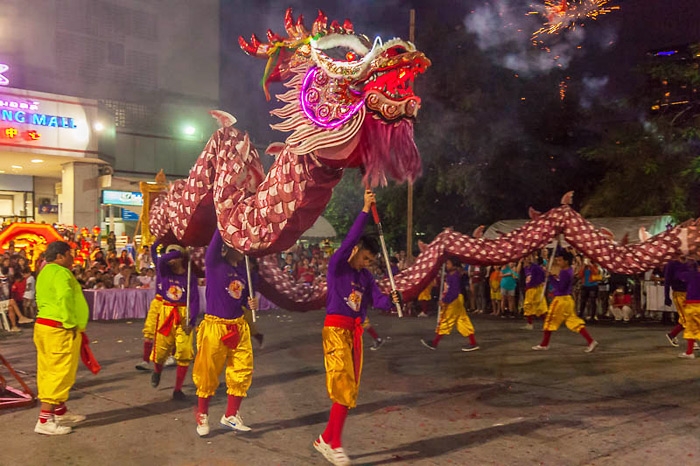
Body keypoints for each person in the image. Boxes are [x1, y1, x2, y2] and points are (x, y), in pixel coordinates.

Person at [313, 190, 400, 466]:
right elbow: (350, 238)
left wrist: (397, 299)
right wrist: (364, 210)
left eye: (371, 261)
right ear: (355, 251)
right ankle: (334, 444)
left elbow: (379, 301)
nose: (367, 264)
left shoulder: (365, 278)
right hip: (335, 331)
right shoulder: (338, 267)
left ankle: (325, 439)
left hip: (354, 334)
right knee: (343, 386)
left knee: (349, 389)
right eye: (365, 258)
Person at [192, 229, 259, 437]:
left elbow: (245, 297)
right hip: (214, 327)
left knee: (242, 368)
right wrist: (226, 216)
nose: (243, 250)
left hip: (238, 326)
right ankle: (202, 413)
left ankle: (231, 415)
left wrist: (251, 302)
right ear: (229, 246)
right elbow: (215, 240)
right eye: (239, 245)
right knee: (208, 371)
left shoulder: (245, 271)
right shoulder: (214, 264)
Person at [33, 241, 88, 435]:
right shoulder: (60, 272)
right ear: (60, 256)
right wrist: (70, 322)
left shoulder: (45, 271)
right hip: (59, 327)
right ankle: (45, 420)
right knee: (58, 373)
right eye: (70, 254)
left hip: (45, 326)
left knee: (49, 370)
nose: (73, 258)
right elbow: (65, 295)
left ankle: (59, 411)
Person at [149, 244, 199, 400]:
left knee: (184, 352)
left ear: (181, 259)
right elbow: (162, 259)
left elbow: (195, 300)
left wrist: (191, 322)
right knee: (161, 351)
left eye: (174, 256)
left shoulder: (190, 276)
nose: (170, 258)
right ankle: (157, 370)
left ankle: (178, 389)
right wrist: (180, 252)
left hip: (183, 314)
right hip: (166, 313)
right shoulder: (164, 272)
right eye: (169, 254)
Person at [532, 249, 598, 353]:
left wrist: (550, 278)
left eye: (560, 260)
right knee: (574, 321)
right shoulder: (569, 270)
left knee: (550, 320)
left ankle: (544, 344)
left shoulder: (564, 272)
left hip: (561, 300)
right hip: (568, 299)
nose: (558, 262)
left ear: (566, 261)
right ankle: (590, 341)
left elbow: (560, 287)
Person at [421, 256, 479, 352]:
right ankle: (473, 343)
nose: (446, 265)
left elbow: (453, 291)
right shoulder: (452, 274)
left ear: (454, 266)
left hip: (454, 300)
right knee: (462, 320)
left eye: (448, 264)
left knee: (446, 320)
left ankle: (435, 343)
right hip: (457, 299)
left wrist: (445, 300)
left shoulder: (454, 276)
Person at [664, 254, 693, 347]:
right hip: (679, 294)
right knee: (687, 319)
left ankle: (672, 334)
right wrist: (666, 296)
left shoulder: (691, 263)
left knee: (690, 317)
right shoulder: (672, 264)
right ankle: (692, 341)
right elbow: (667, 281)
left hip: (689, 293)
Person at [677, 261, 700, 359]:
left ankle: (689, 352)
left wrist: (684, 263)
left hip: (692, 304)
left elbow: (678, 275)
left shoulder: (692, 275)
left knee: (691, 328)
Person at [521, 254, 548, 330]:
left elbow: (543, 275)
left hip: (537, 289)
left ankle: (546, 325)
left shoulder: (535, 267)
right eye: (526, 258)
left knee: (540, 307)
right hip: (529, 289)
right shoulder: (526, 268)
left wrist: (539, 282)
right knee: (528, 306)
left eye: (529, 257)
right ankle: (530, 324)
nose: (528, 259)